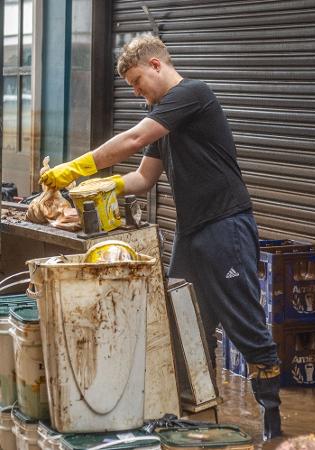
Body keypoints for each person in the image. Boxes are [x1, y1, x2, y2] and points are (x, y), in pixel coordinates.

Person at [40, 35, 282, 439]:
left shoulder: (193, 94)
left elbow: (132, 141)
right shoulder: (165, 119)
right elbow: (143, 178)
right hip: (191, 232)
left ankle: (272, 423)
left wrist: (76, 168)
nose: (136, 92)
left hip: (225, 224)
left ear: (156, 65)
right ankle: (198, 419)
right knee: (180, 318)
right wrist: (97, 190)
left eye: (137, 81)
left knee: (245, 323)